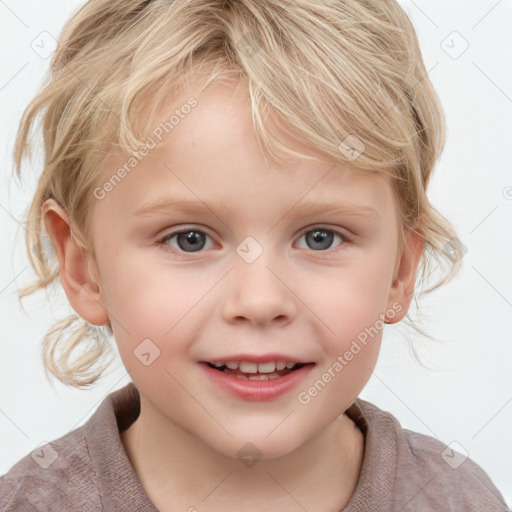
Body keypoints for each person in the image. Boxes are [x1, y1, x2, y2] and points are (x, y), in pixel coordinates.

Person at [1, 0, 509, 511]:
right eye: (189, 239)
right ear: (84, 268)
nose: (261, 300)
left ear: (401, 270)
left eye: (320, 237)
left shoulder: (458, 500)